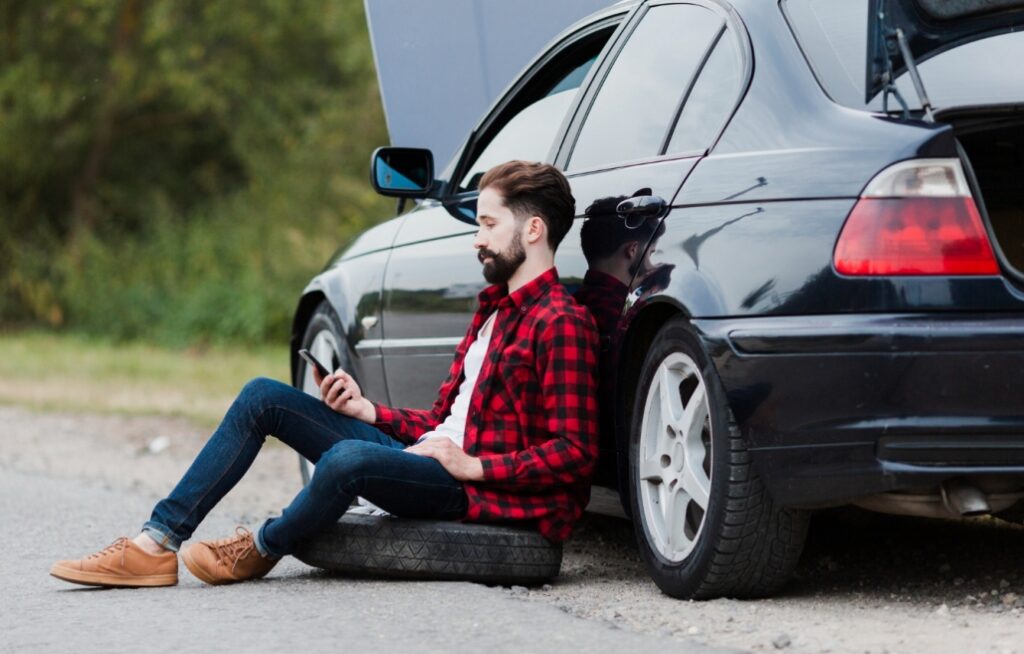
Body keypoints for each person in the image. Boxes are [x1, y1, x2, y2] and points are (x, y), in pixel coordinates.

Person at [50, 160, 600, 588]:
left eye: (487, 223)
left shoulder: (561, 323)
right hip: (435, 460)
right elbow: (443, 422)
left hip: (469, 488)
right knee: (264, 396)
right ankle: (154, 544)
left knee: (346, 460)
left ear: (532, 229)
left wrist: (476, 467)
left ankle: (260, 547)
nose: (477, 237)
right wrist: (369, 412)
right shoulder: (493, 310)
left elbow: (576, 452)